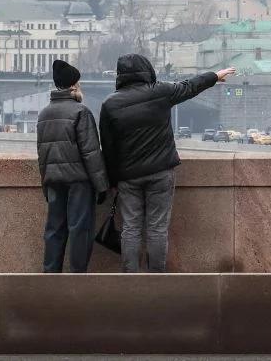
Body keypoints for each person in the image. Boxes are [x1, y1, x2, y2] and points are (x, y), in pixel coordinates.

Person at [99, 54, 235, 272]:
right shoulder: (160, 92)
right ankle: (157, 278)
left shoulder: (110, 104)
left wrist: (113, 180)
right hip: (161, 172)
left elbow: (108, 148)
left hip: (128, 177)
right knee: (157, 228)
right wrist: (214, 76)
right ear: (147, 70)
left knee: (131, 228)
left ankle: (129, 278)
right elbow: (189, 87)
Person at [36, 59, 110, 273]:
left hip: (53, 180)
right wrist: (101, 186)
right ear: (73, 85)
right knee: (79, 228)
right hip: (78, 180)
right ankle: (76, 277)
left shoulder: (44, 114)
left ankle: (51, 276)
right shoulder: (81, 112)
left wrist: (45, 184)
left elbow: (42, 154)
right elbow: (91, 153)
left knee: (54, 229)